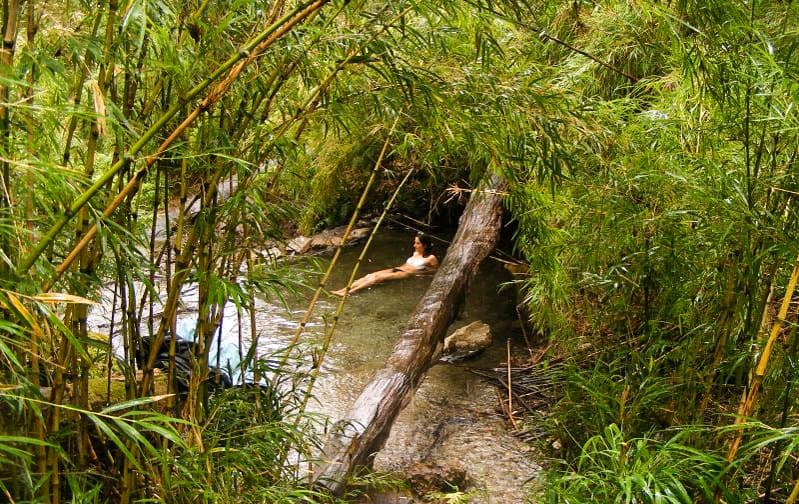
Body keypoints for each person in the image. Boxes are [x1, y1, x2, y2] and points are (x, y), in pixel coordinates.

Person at [332, 233, 439, 296]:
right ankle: (343, 289)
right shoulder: (415, 253)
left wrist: (419, 272)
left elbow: (436, 272)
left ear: (424, 245)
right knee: (369, 275)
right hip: (397, 269)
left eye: (417, 243)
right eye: (415, 242)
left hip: (406, 274)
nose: (414, 245)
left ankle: (350, 292)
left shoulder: (431, 258)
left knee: (377, 279)